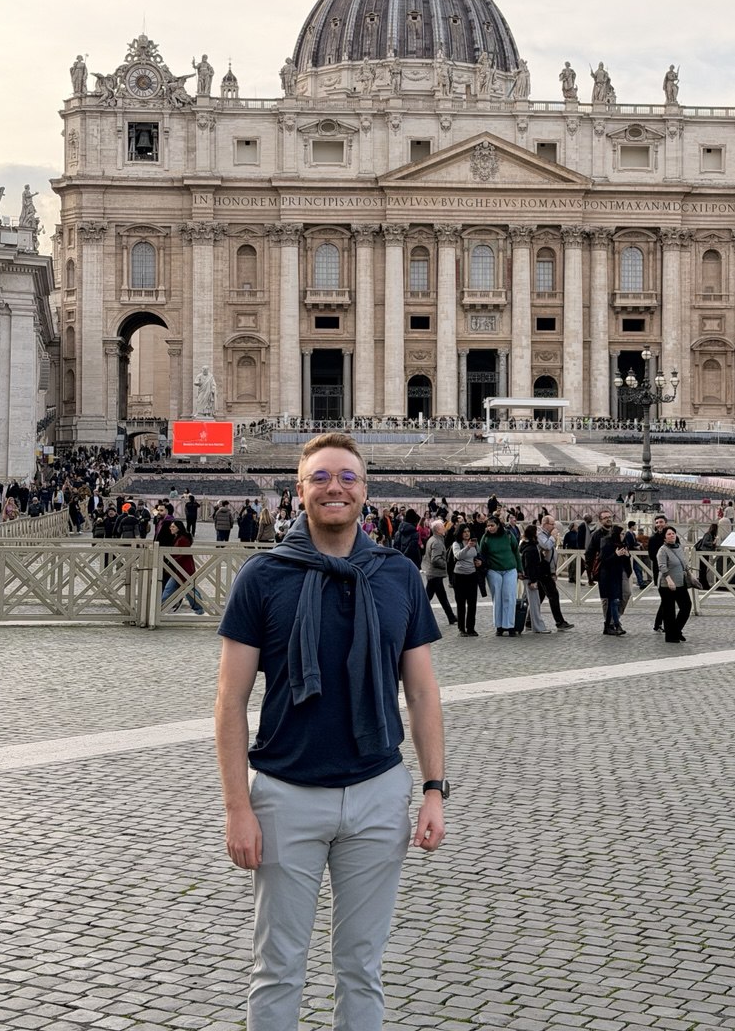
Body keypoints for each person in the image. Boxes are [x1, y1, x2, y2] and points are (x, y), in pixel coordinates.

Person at [214, 432, 445, 1030]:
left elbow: (422, 692)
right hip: (285, 797)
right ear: (300, 491)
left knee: (362, 968)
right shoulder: (263, 576)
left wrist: (433, 790)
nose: (333, 487)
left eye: (346, 477)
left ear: (365, 491)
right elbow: (230, 701)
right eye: (320, 477)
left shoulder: (397, 575)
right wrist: (237, 808)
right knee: (277, 967)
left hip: (377, 794)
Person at [479, 513, 524, 637]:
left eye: (492, 525)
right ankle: (499, 626)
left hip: (510, 569)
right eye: (488, 526)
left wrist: (520, 569)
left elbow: (516, 551)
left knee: (509, 596)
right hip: (494, 570)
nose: (490, 528)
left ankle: (509, 625)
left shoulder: (508, 535)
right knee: (497, 598)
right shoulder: (485, 538)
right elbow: (482, 554)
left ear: (498, 525)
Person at [655, 526, 691, 643]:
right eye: (669, 534)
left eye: (673, 533)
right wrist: (669, 580)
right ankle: (671, 636)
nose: (672, 536)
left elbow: (684, 563)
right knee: (669, 611)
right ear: (664, 538)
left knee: (686, 606)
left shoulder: (679, 547)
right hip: (667, 584)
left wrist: (690, 575)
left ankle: (676, 630)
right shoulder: (662, 550)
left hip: (681, 582)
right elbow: (662, 567)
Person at [537, 515, 573, 629]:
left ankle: (529, 619)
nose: (554, 527)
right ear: (545, 524)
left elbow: (553, 554)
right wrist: (553, 537)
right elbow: (546, 546)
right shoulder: (540, 534)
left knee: (540, 596)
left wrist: (553, 571)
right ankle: (560, 622)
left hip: (548, 570)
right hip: (542, 570)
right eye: (552, 524)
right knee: (553, 595)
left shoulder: (547, 535)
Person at [162, 520, 205, 614]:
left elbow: (182, 555)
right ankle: (160, 607)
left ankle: (199, 608)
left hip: (183, 569)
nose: (171, 528)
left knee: (188, 590)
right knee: (179, 589)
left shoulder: (182, 539)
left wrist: (170, 561)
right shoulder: (179, 538)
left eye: (173, 527)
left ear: (178, 528)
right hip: (179, 569)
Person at [421, 519, 457, 626]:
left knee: (441, 597)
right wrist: (446, 564)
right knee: (428, 598)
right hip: (435, 574)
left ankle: (451, 617)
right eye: (442, 527)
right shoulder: (437, 542)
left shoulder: (433, 539)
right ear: (437, 530)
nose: (444, 528)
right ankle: (416, 616)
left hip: (433, 574)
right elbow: (435, 559)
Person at [597, 525, 630, 637]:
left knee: (623, 595)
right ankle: (613, 624)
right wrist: (616, 555)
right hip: (609, 575)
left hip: (620, 573)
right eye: (622, 534)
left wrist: (627, 555)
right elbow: (604, 560)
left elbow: (625, 560)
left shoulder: (623, 543)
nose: (623, 536)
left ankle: (614, 621)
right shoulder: (606, 542)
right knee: (612, 600)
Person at [518, 524, 551, 633]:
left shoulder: (525, 545)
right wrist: (533, 581)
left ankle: (531, 624)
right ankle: (538, 627)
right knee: (534, 603)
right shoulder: (531, 548)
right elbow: (530, 566)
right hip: (530, 578)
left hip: (527, 577)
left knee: (531, 602)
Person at [450, 524, 481, 636]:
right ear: (460, 533)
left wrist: (479, 562)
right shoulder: (456, 544)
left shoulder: (475, 543)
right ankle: (461, 629)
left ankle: (471, 628)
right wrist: (467, 546)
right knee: (461, 603)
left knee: (472, 603)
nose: (467, 533)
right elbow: (458, 556)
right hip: (459, 576)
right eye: (464, 531)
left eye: (468, 531)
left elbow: (478, 555)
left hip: (472, 575)